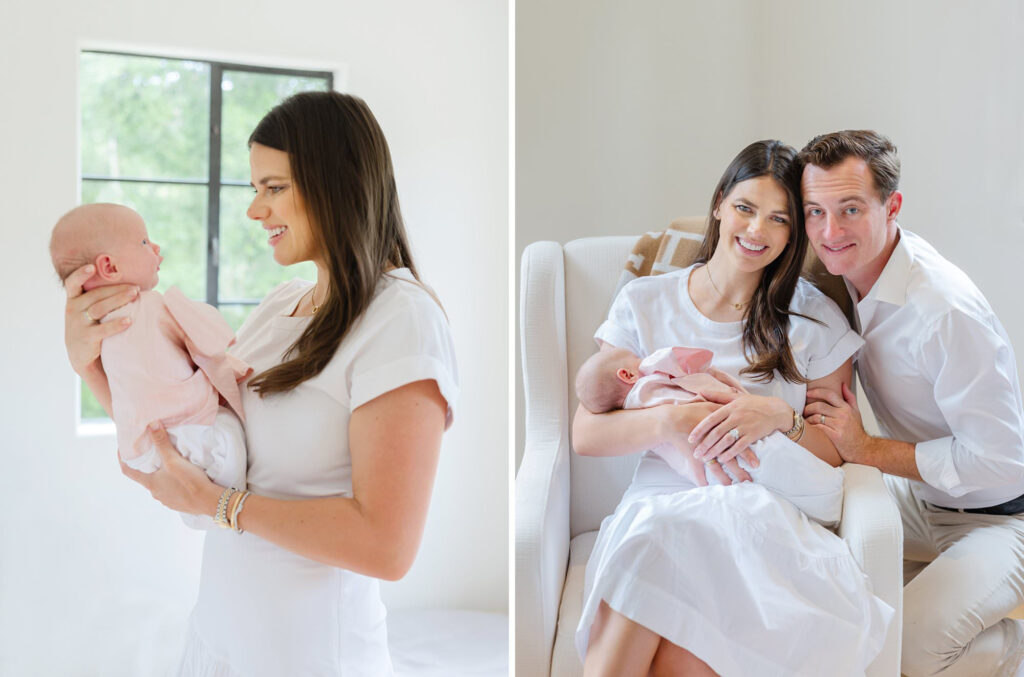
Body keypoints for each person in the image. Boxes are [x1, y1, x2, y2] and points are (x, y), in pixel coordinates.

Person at [60, 91, 458, 676]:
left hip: (308, 656)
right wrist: (87, 362)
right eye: (255, 190)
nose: (254, 211)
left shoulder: (401, 320)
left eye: (274, 188)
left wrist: (222, 506)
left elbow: (387, 546)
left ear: (337, 181)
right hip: (220, 637)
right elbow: (171, 424)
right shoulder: (282, 305)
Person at [573, 139, 891, 677]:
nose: (757, 231)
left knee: (676, 641)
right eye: (745, 208)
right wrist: (675, 420)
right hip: (661, 499)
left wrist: (776, 417)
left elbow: (835, 453)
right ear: (719, 203)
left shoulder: (813, 322)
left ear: (794, 233)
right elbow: (587, 432)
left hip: (760, 505)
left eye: (779, 219)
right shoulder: (645, 303)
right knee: (657, 557)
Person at [798, 130, 1024, 677]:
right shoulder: (836, 270)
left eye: (850, 209)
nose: (829, 232)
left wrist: (865, 448)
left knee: (906, 651)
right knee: (801, 562)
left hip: (1002, 519)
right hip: (920, 497)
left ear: (891, 206)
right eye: (814, 211)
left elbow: (1000, 460)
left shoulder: (944, 311)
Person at [50, 203, 249, 529]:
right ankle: (232, 509)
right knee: (231, 436)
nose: (155, 248)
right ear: (110, 267)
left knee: (196, 507)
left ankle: (207, 512)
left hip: (140, 448)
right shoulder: (154, 305)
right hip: (193, 429)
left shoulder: (97, 331)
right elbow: (210, 348)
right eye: (144, 242)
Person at [575, 345, 845, 525]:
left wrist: (780, 413)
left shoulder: (633, 406)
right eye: (636, 361)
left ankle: (821, 499)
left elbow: (834, 449)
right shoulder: (650, 378)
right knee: (766, 459)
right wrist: (669, 418)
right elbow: (583, 438)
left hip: (705, 481)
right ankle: (824, 499)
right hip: (682, 486)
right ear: (626, 373)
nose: (642, 361)